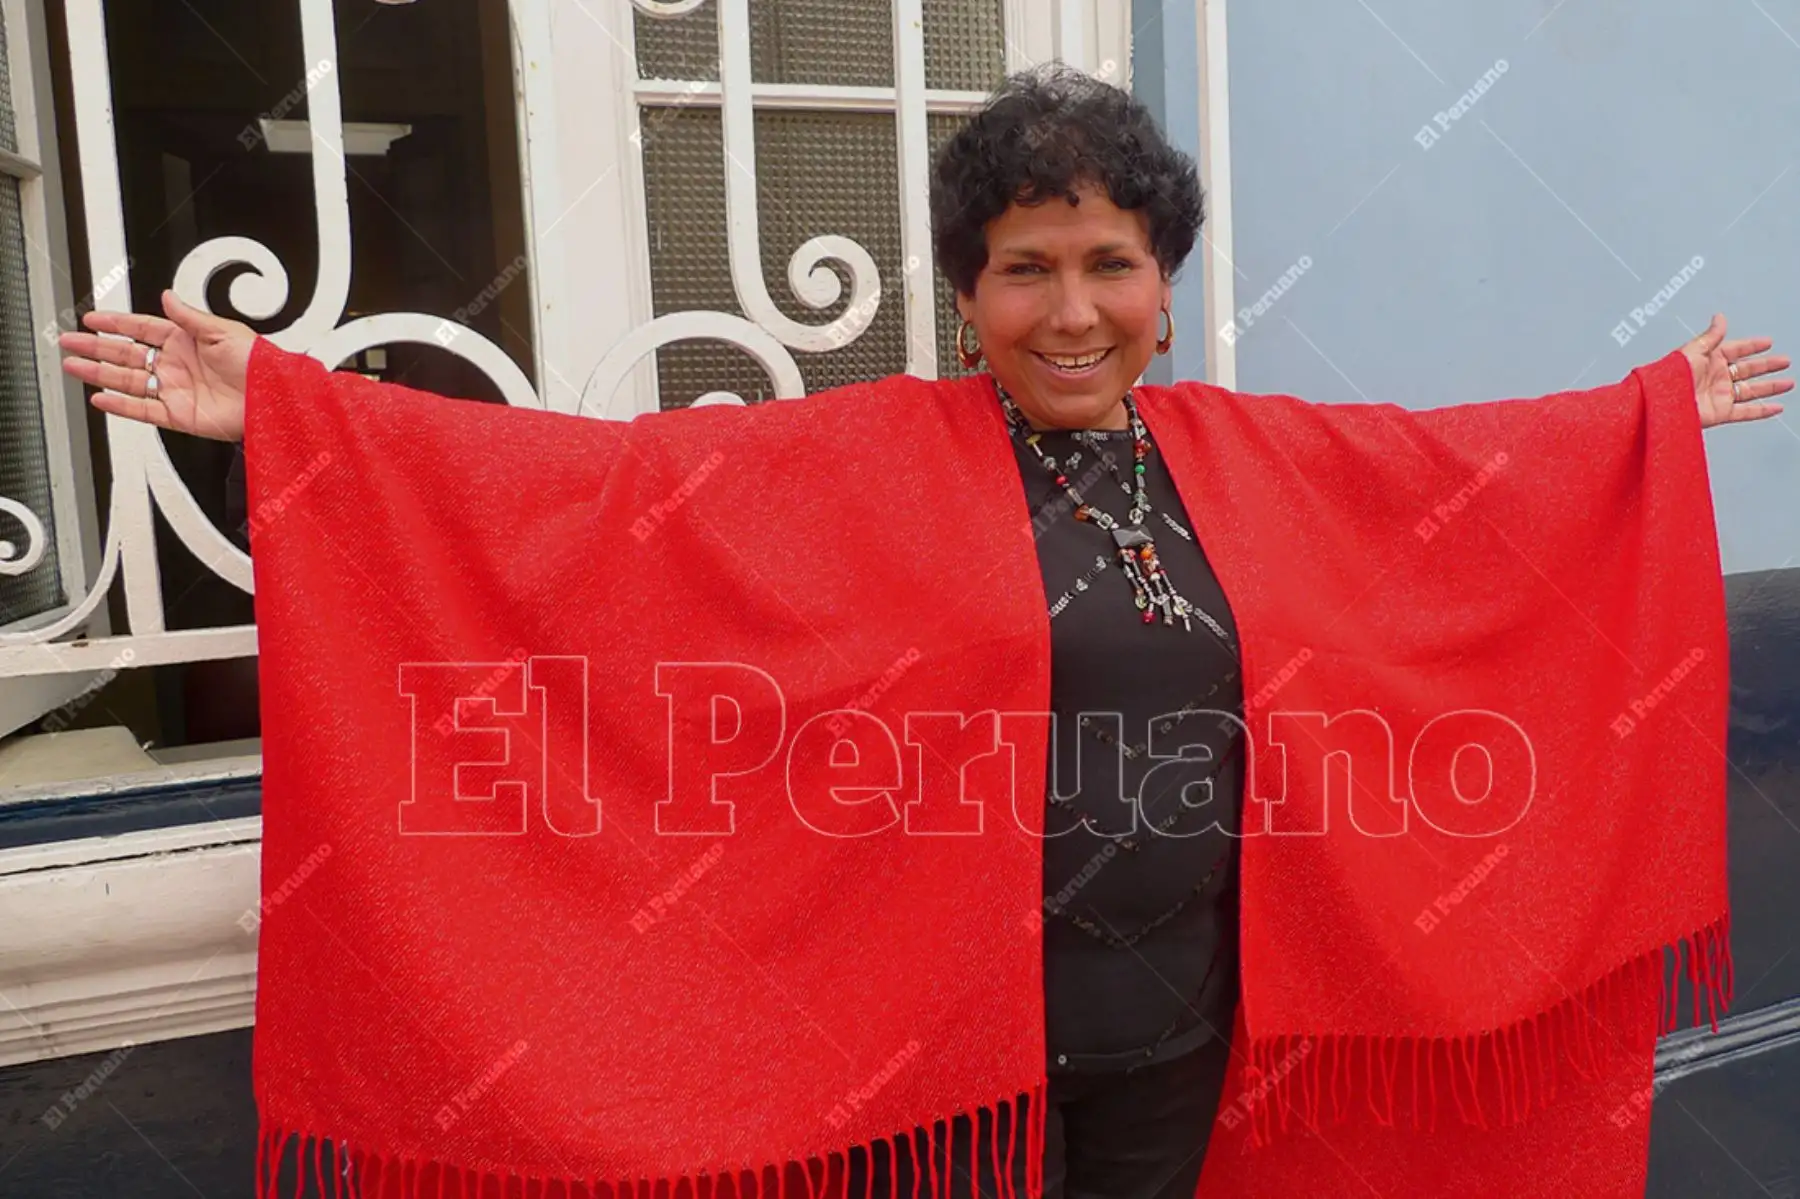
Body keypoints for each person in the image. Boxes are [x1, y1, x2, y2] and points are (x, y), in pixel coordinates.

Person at [58, 66, 1788, 1199]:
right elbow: (584, 495)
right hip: (940, 1076)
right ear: (967, 295)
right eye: (1025, 268)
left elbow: (1460, 483)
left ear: (1163, 279)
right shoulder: (864, 459)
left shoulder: (1244, 456)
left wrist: (1649, 413)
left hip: (1196, 1038)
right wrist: (302, 412)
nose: (1072, 309)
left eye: (1106, 261)